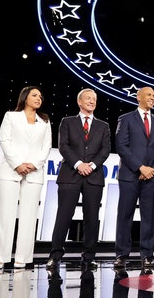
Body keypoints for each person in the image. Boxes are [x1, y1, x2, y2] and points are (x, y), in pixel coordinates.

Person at [46, 88, 111, 271]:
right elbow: (63, 146)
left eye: (94, 99)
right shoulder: (67, 122)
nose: (91, 101)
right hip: (70, 175)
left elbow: (105, 150)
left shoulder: (103, 126)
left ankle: (89, 257)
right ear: (79, 102)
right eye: (88, 98)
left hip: (94, 177)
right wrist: (78, 164)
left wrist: (91, 165)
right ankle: (55, 256)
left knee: (91, 218)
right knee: (63, 217)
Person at [0, 86, 52, 270]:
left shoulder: (45, 121)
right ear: (25, 97)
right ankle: (0, 258)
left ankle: (22, 259)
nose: (38, 98)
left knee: (28, 216)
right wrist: (18, 163)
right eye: (34, 95)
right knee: (6, 215)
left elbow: (46, 146)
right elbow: (5, 141)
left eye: (41, 96)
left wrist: (33, 164)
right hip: (10, 170)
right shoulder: (11, 116)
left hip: (34, 173)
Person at [114, 86, 154, 268]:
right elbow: (121, 146)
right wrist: (140, 167)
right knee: (125, 215)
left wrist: (152, 169)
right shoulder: (126, 119)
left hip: (151, 178)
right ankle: (122, 255)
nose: (153, 98)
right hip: (130, 175)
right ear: (138, 97)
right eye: (149, 95)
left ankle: (147, 255)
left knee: (148, 216)